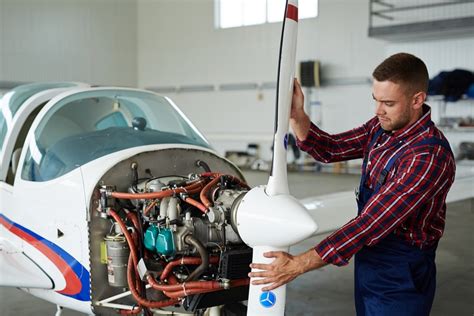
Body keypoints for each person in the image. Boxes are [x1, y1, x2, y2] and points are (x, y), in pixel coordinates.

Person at [249, 53, 456, 316]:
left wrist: (298, 264)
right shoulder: (382, 128)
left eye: (388, 103)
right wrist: (297, 115)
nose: (377, 110)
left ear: (417, 100)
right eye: (376, 100)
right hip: (370, 260)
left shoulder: (427, 157)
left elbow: (369, 224)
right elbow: (331, 148)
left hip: (401, 272)